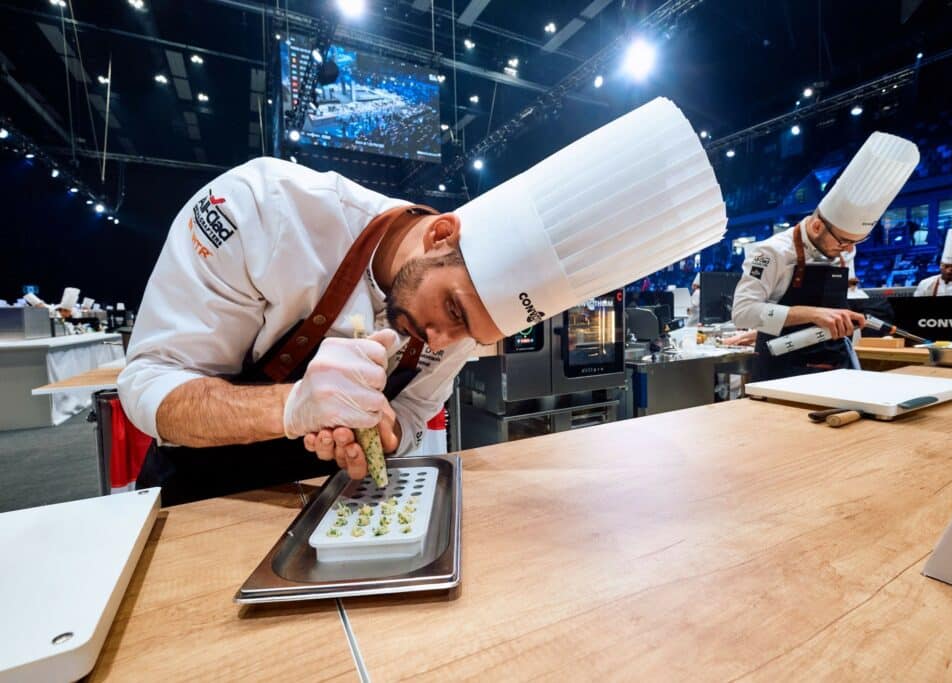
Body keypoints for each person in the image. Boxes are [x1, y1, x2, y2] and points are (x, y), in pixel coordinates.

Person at [117, 97, 727, 505]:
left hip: (324, 508)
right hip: (195, 502)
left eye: (470, 337)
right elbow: (148, 386)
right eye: (454, 312)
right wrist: (292, 407)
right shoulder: (264, 208)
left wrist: (381, 434)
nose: (438, 343)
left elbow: (409, 418)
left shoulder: (457, 333)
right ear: (441, 235)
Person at [731, 132, 919, 381]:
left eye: (855, 242)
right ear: (818, 226)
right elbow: (743, 312)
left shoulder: (845, 248)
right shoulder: (771, 252)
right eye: (843, 240)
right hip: (782, 370)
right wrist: (813, 314)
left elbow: (839, 304)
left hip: (835, 365)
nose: (848, 248)